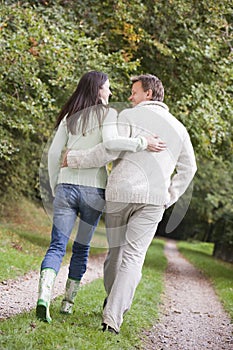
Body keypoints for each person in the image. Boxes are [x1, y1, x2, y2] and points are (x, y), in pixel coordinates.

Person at [64, 74, 197, 334]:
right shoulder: (179, 128)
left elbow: (108, 150)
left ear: (148, 93)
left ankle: (112, 302)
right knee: (134, 257)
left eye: (134, 92)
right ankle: (112, 317)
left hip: (120, 193)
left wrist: (74, 159)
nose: (130, 97)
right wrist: (171, 195)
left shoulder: (126, 117)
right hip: (153, 199)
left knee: (115, 253)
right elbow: (189, 167)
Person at [36, 71, 165, 323]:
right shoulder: (108, 115)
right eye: (107, 88)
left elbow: (53, 155)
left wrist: (55, 186)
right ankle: (67, 303)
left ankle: (43, 296)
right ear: (97, 90)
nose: (111, 92)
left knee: (57, 246)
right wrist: (142, 141)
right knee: (82, 248)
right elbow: (111, 144)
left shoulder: (69, 119)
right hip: (93, 191)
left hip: (65, 186)